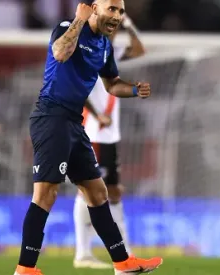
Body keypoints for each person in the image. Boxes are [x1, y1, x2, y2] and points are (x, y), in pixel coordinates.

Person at [14, 1, 163, 275]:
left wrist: (133, 90)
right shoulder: (66, 28)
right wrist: (78, 21)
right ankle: (25, 269)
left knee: (97, 192)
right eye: (111, 9)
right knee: (46, 194)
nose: (116, 16)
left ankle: (122, 263)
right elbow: (60, 53)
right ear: (94, 8)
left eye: (120, 11)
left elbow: (111, 84)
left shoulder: (105, 46)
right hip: (51, 117)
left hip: (74, 122)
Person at [73, 13, 145, 269]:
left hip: (110, 134)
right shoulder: (88, 52)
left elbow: (139, 49)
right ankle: (83, 252)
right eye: (111, 24)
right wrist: (97, 114)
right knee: (88, 190)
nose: (114, 29)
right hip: (94, 132)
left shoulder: (111, 52)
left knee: (113, 191)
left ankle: (124, 249)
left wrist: (129, 24)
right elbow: (76, 89)